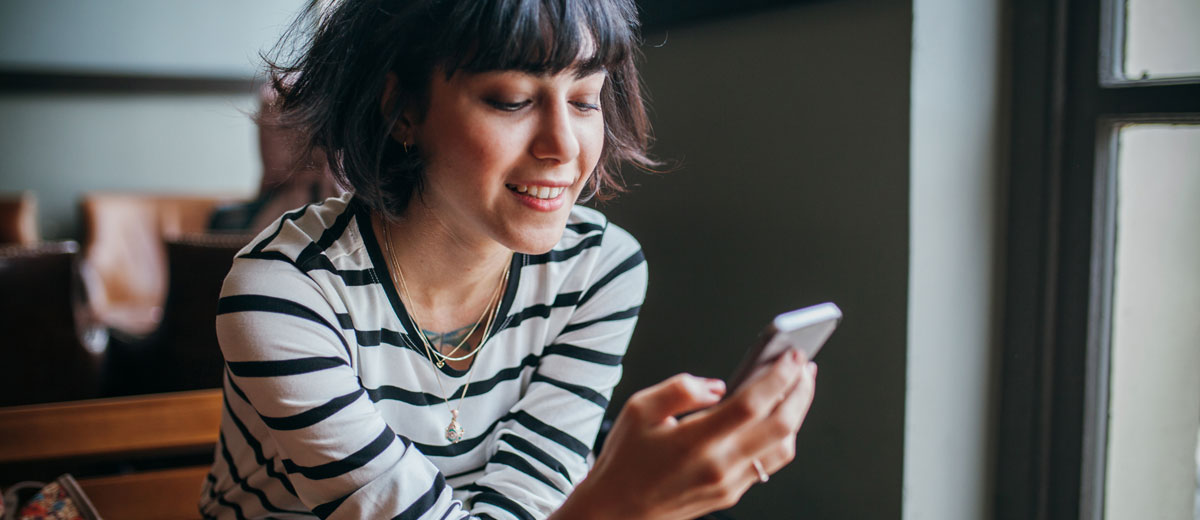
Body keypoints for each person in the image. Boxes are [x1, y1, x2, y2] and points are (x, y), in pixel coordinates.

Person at [199, 0, 819, 518]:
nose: (563, 147)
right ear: (402, 110)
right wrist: (626, 504)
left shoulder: (598, 268)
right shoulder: (286, 295)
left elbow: (526, 502)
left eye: (584, 100)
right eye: (512, 99)